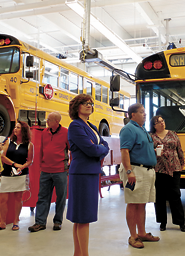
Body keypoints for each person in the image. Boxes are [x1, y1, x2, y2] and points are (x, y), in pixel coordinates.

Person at [67, 94, 110, 256]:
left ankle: (78, 253)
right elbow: (91, 149)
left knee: (81, 217)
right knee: (83, 217)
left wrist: (100, 148)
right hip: (82, 174)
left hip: (90, 172)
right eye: (85, 103)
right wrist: (100, 149)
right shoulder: (75, 126)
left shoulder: (91, 126)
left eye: (91, 103)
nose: (89, 105)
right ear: (76, 106)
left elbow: (104, 143)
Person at [119, 103, 160, 249]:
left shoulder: (142, 129)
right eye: (141, 112)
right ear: (132, 115)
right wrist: (129, 171)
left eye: (144, 112)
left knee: (142, 203)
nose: (145, 114)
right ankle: (133, 236)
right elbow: (125, 151)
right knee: (133, 203)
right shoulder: (128, 129)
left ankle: (141, 233)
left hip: (147, 171)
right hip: (136, 170)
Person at [28, 112, 69, 232]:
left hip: (60, 170)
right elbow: (41, 150)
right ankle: (40, 222)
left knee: (60, 197)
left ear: (57, 121)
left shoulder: (66, 132)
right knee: (42, 197)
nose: (47, 121)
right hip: (45, 170)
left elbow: (71, 148)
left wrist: (68, 164)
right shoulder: (44, 133)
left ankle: (58, 221)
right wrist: (41, 165)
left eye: (49, 120)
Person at [0, 121, 34, 232]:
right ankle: (2, 222)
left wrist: (23, 166)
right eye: (15, 127)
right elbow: (2, 157)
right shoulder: (8, 141)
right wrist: (15, 164)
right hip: (6, 173)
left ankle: (16, 221)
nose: (15, 129)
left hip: (21, 175)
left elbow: (30, 161)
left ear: (24, 130)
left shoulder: (29, 145)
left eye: (18, 127)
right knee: (2, 199)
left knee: (18, 198)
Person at [150, 115, 185, 232]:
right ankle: (162, 222)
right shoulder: (151, 137)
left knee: (175, 195)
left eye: (162, 121)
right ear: (154, 125)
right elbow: (147, 151)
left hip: (174, 168)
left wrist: (181, 163)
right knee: (159, 197)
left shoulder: (173, 134)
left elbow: (179, 149)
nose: (162, 123)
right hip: (158, 169)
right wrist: (154, 151)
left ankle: (180, 222)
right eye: (158, 122)